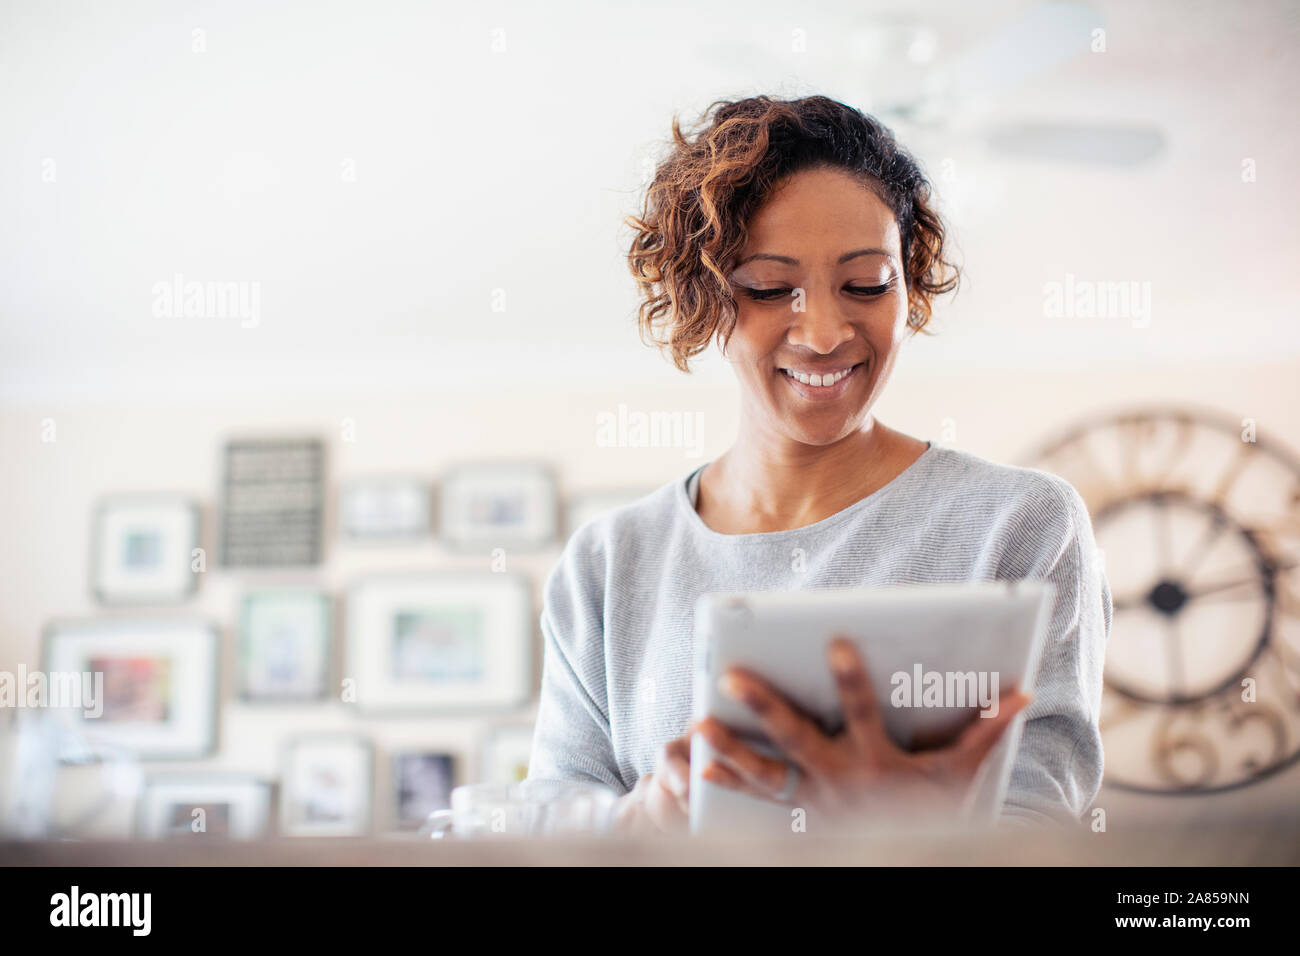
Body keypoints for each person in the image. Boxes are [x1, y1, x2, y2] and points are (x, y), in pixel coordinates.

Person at [526, 94, 1111, 834]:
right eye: (770, 288)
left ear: (911, 283)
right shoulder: (610, 563)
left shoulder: (1022, 526)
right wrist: (648, 815)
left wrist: (902, 822)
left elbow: (1040, 826)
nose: (827, 331)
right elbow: (549, 815)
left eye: (866, 283)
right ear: (702, 294)